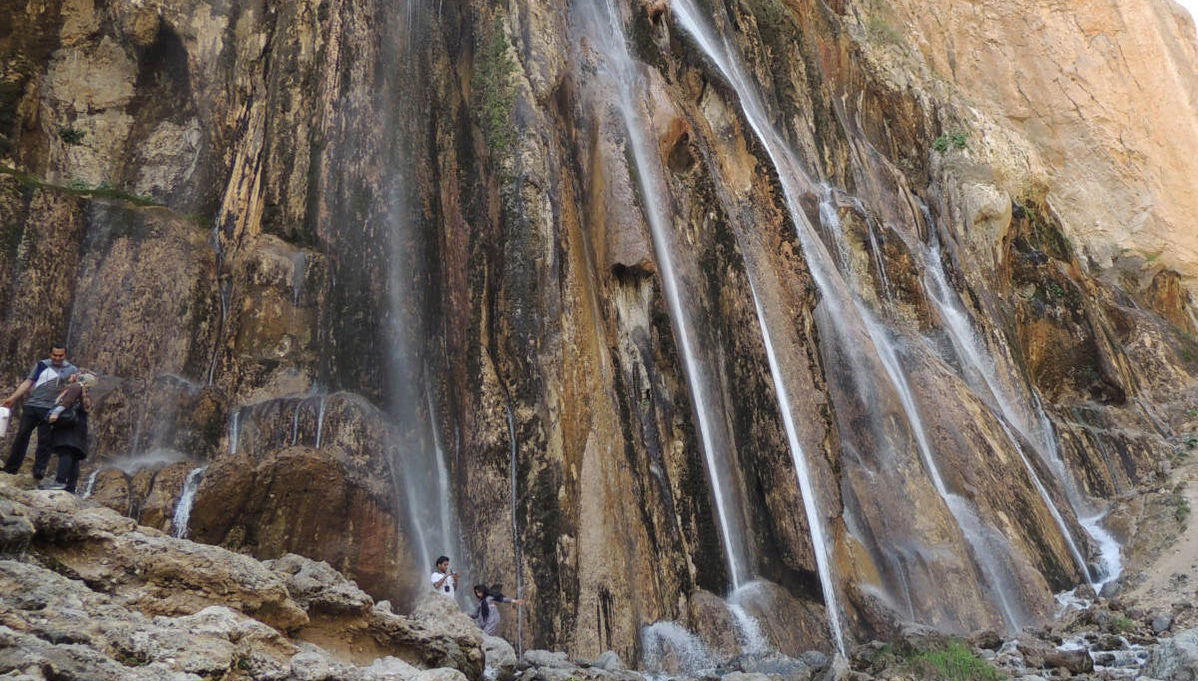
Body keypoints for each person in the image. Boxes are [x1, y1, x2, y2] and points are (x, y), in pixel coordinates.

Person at [2, 345, 78, 478]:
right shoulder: (42, 365)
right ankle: (11, 468)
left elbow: (73, 390)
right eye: (55, 355)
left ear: (65, 355)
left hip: (51, 409)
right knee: (22, 436)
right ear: (50, 354)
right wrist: (12, 398)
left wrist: (72, 383)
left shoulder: (72, 370)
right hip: (32, 405)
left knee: (45, 441)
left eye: (60, 355)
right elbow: (28, 382)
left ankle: (39, 471)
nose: (57, 358)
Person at [40, 372, 95, 493]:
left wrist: (55, 413)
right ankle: (71, 486)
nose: (71, 375)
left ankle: (60, 482)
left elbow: (67, 401)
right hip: (79, 426)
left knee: (66, 452)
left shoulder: (76, 386)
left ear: (79, 377)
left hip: (69, 425)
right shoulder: (86, 392)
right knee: (73, 455)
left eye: (74, 374)